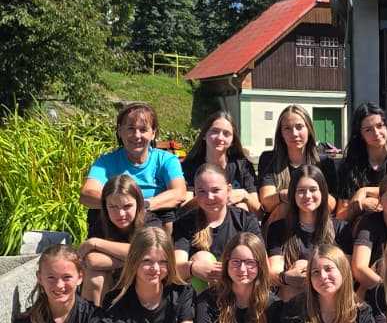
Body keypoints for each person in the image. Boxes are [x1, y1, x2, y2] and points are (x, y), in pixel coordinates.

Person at [80, 101, 187, 218]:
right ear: (120, 131)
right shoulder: (105, 162)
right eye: (131, 128)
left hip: (153, 219)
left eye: (143, 130)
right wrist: (122, 205)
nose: (136, 135)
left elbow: (179, 193)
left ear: (153, 133)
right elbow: (87, 194)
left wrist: (142, 205)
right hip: (117, 218)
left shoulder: (166, 160)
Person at [266, 164, 350, 300]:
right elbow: (274, 271)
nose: (307, 195)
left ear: (323, 192)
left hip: (329, 295)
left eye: (313, 190)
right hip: (293, 296)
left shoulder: (341, 228)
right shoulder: (278, 228)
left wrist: (312, 272)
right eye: (301, 191)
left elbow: (346, 273)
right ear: (293, 195)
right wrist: (286, 277)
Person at [172, 164, 263, 290]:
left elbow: (261, 262)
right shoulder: (185, 223)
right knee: (201, 257)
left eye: (215, 190)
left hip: (238, 286)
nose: (209, 197)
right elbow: (176, 268)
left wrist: (228, 270)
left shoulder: (245, 220)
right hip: (202, 293)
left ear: (229, 190)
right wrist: (193, 268)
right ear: (195, 193)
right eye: (202, 191)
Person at [334, 102, 387, 221]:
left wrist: (364, 191)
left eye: (380, 126)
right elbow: (341, 215)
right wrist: (361, 204)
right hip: (361, 226)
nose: (376, 133)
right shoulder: (350, 167)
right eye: (368, 130)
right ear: (361, 135)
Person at [78, 174, 154, 307]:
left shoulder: (150, 221)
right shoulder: (101, 222)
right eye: (113, 207)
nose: (121, 214)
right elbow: (93, 260)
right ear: (105, 206)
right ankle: (93, 318)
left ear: (139, 204)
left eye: (127, 206)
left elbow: (151, 253)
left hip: (142, 281)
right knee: (95, 276)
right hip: (112, 281)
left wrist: (96, 243)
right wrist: (135, 261)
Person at [257, 104, 328, 226]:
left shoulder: (323, 161)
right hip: (279, 225)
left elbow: (331, 204)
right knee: (284, 207)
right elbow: (266, 203)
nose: (294, 133)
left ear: (309, 129)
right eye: (287, 128)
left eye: (299, 127)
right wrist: (285, 196)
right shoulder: (269, 159)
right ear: (281, 133)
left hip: (314, 222)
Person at [180, 112, 260, 212]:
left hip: (235, 219)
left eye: (226, 133)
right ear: (204, 135)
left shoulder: (243, 166)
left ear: (232, 141)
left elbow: (258, 211)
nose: (220, 137)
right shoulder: (190, 167)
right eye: (215, 131)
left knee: (242, 207)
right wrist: (218, 196)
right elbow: (184, 208)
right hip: (201, 218)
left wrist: (244, 195)